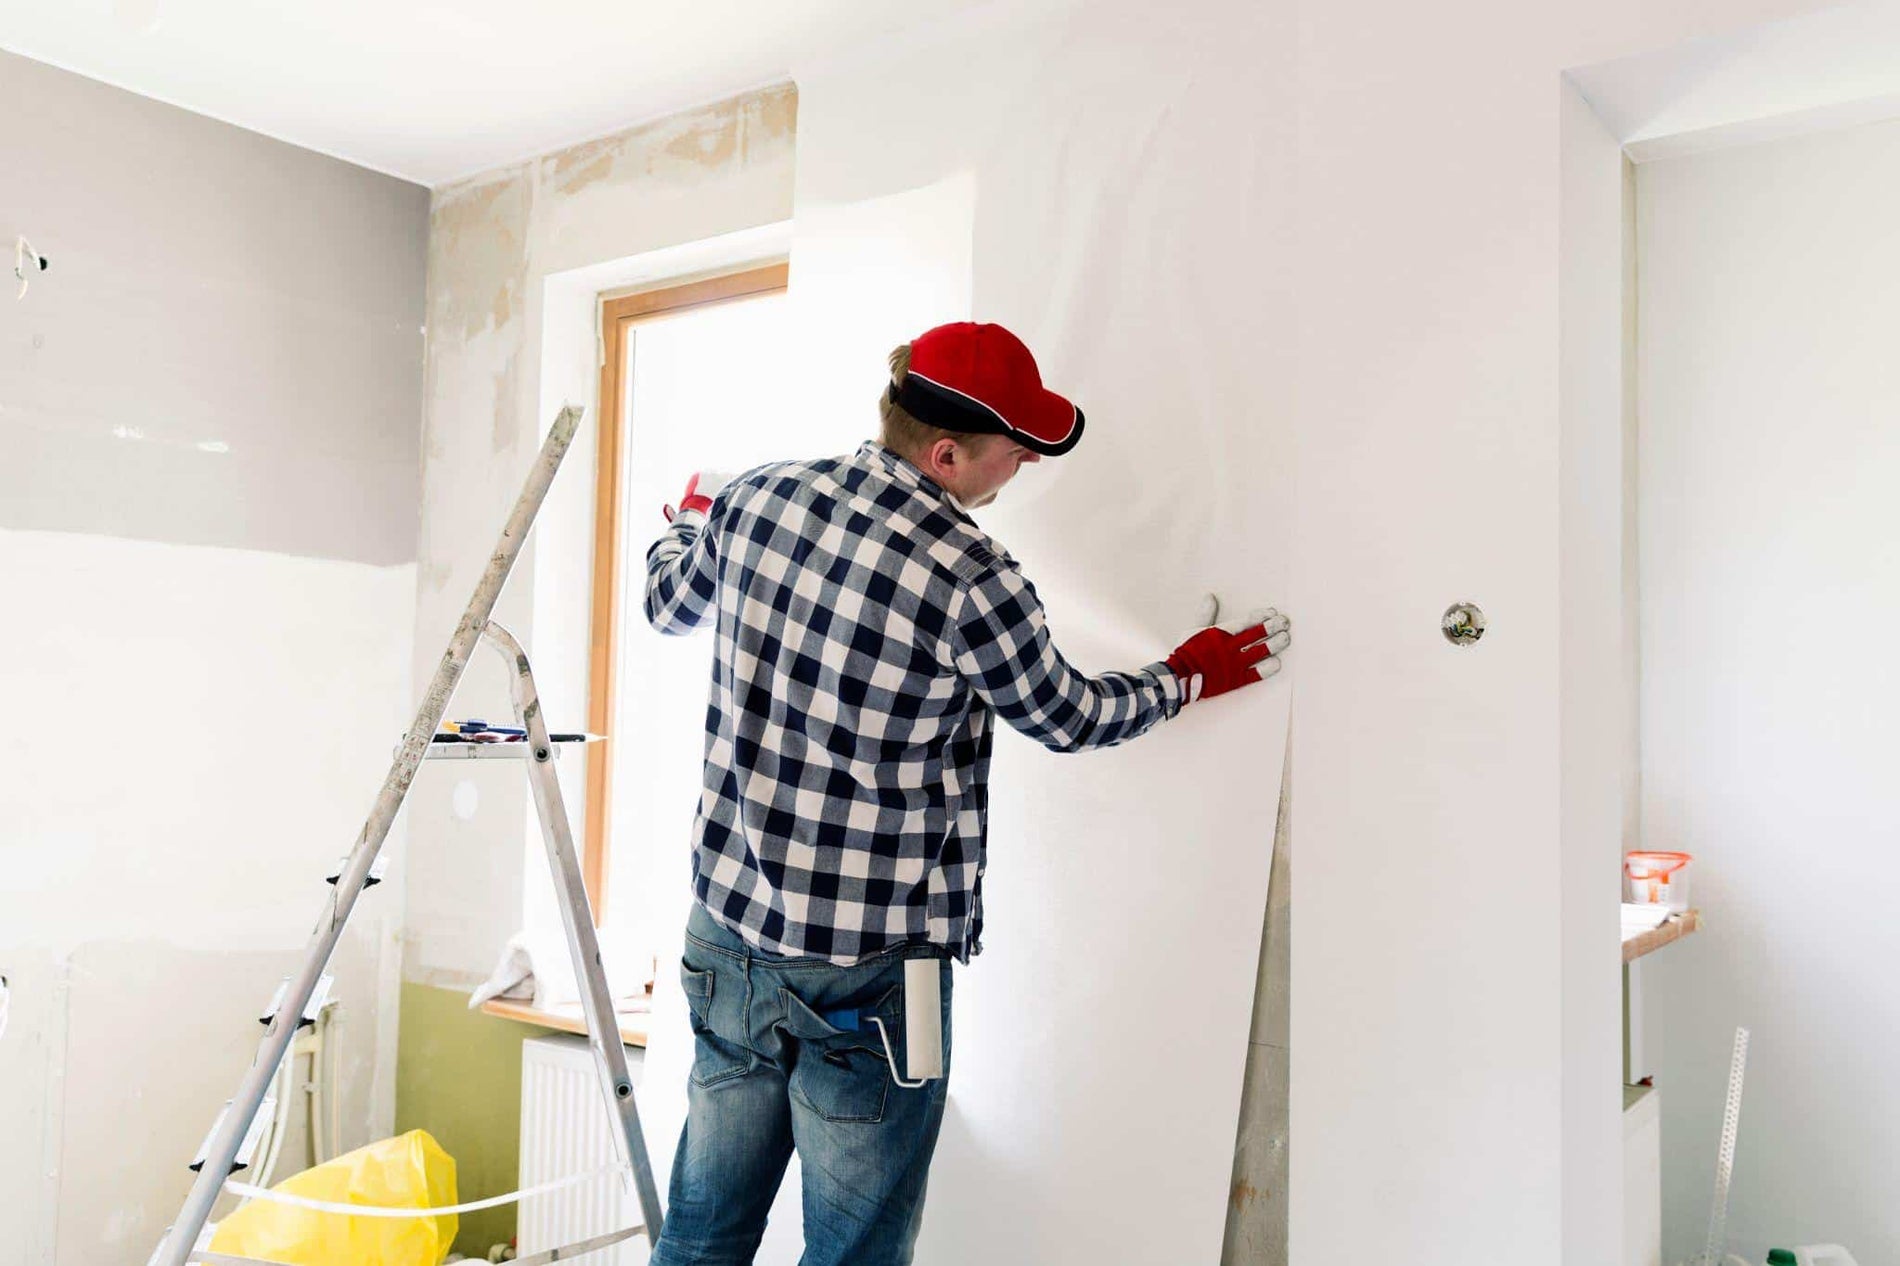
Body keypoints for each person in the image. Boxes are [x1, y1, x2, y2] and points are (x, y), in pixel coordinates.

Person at [641, 321, 1289, 1265]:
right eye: (1013, 452)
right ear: (945, 454)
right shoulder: (969, 575)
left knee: (701, 1235)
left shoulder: (756, 499)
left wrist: (690, 522)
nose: (1020, 466)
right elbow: (1067, 716)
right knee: (855, 1252)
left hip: (727, 938)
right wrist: (1188, 675)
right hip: (870, 975)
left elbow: (669, 603)